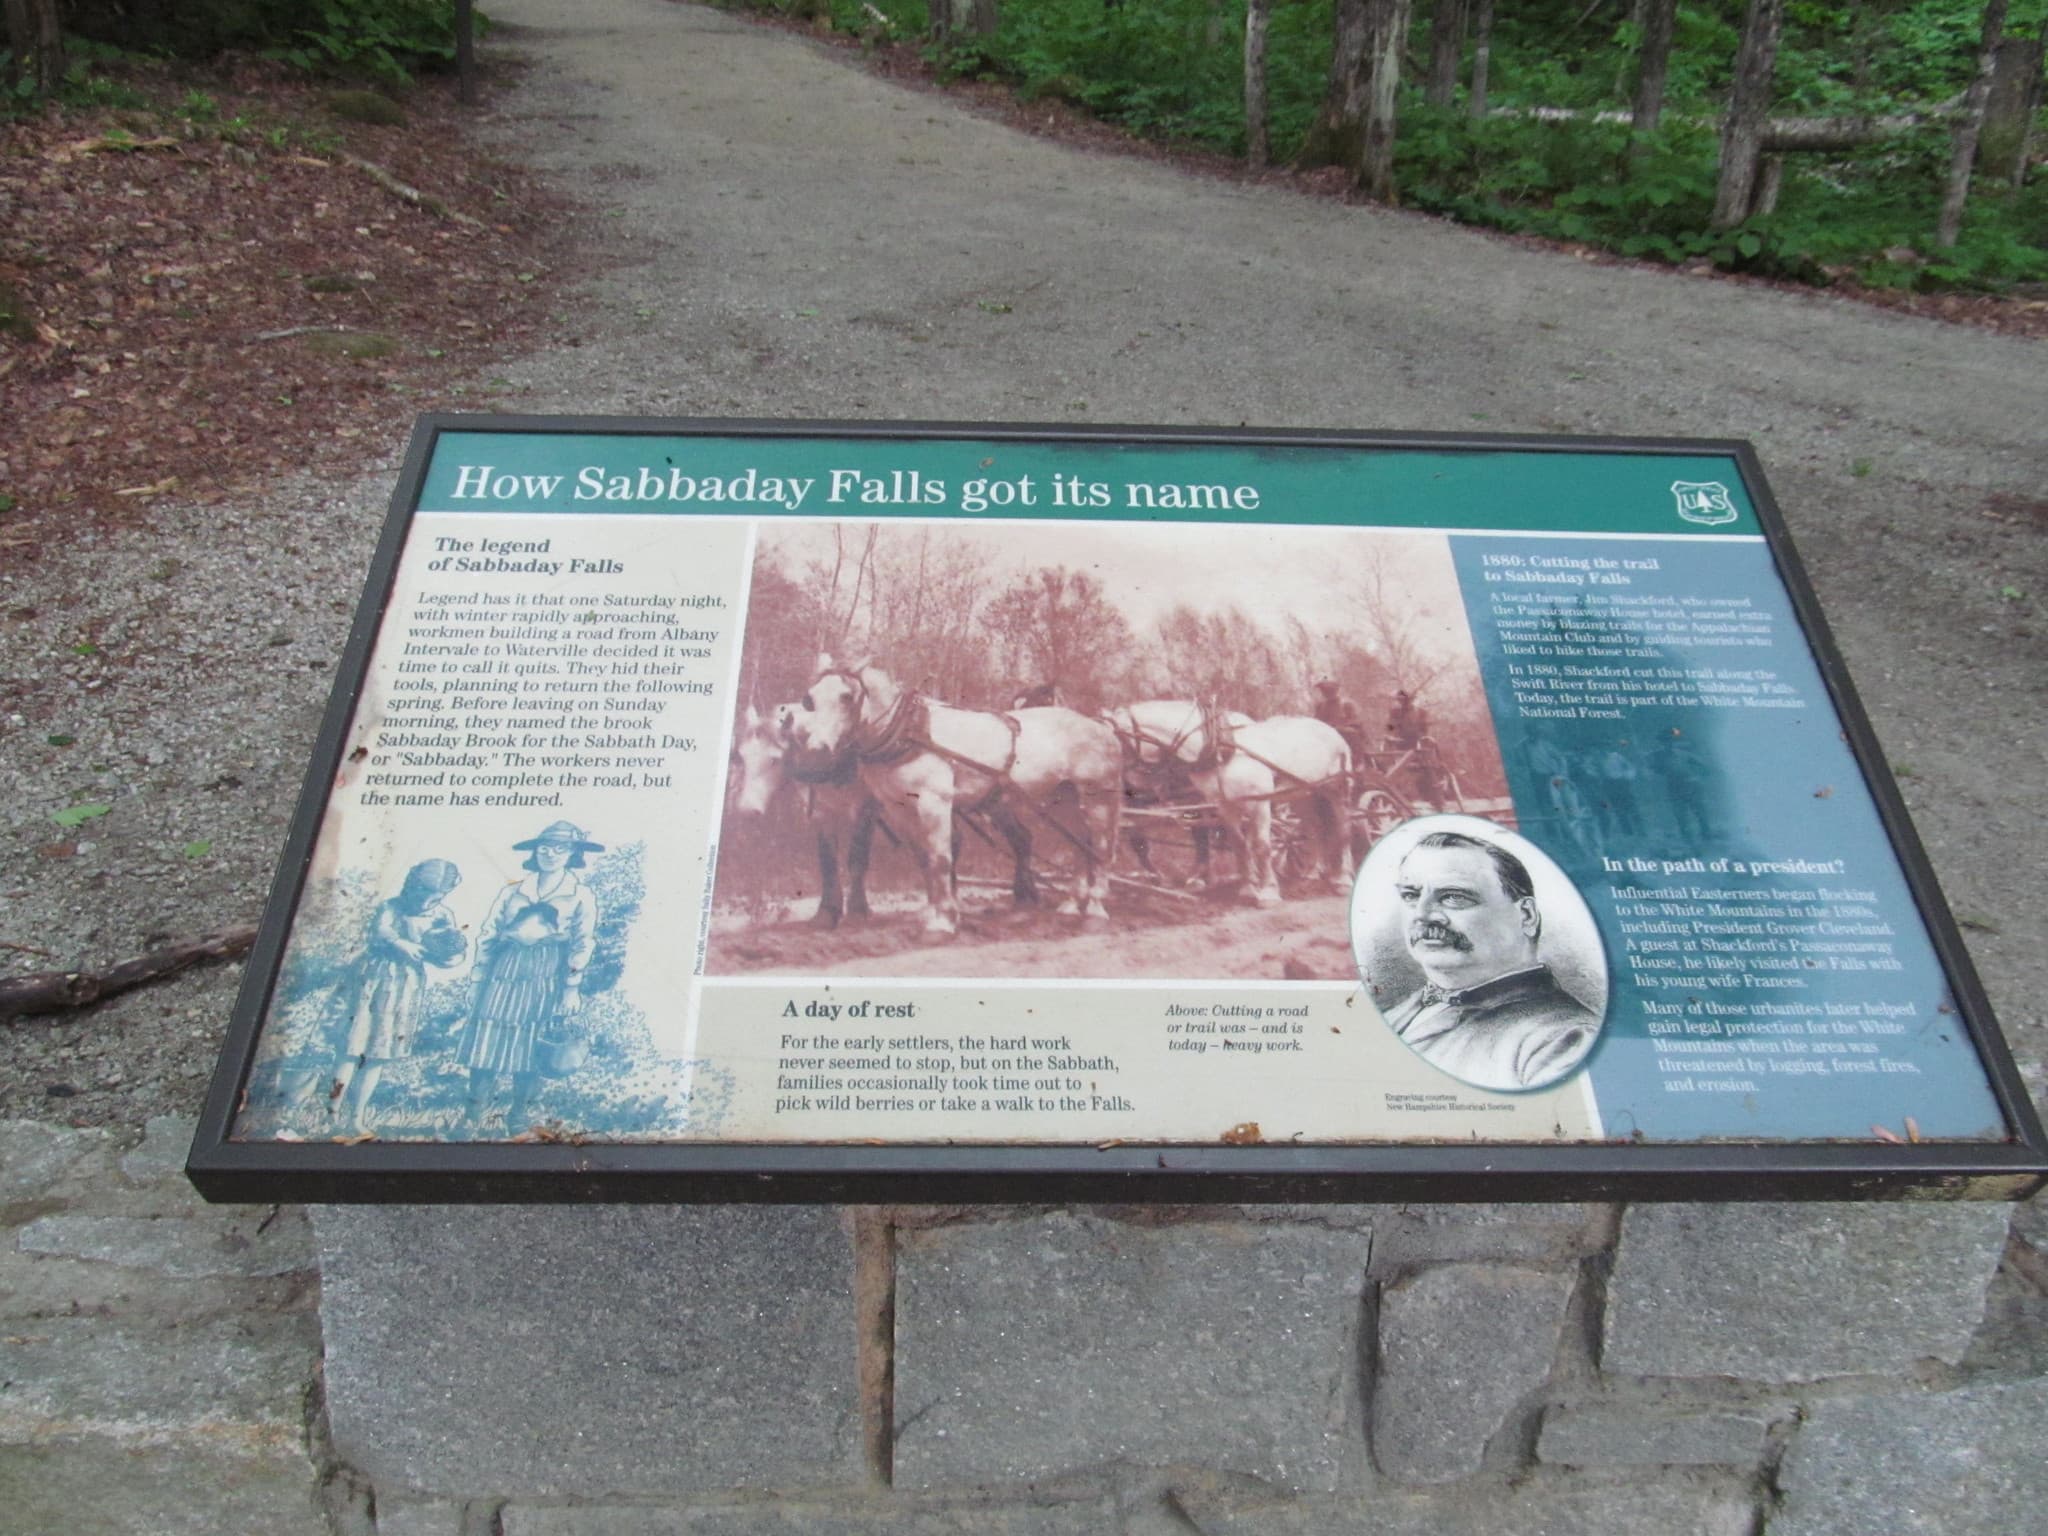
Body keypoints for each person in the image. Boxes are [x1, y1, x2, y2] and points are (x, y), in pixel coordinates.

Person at [1382, 830, 1599, 1091]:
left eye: (1454, 897)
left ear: (1527, 916)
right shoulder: (1397, 1013)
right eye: (1411, 895)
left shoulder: (1564, 1038)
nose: (1422, 914)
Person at [459, 821, 603, 1132]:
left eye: (560, 848)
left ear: (573, 854)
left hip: (547, 974)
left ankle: (518, 1117)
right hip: (504, 972)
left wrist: (571, 988)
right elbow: (488, 935)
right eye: (545, 847)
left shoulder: (580, 895)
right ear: (535, 851)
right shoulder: (513, 891)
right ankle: (472, 1116)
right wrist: (477, 980)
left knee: (531, 1046)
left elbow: (582, 942)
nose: (550, 854)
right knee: (486, 1043)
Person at [327, 858, 467, 1132]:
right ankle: (331, 1113)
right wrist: (401, 943)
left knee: (378, 1054)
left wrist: (449, 957)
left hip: (405, 986)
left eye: (436, 897)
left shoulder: (442, 916)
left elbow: (449, 952)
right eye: (422, 893)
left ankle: (357, 1118)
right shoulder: (392, 907)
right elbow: (380, 931)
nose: (427, 902)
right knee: (351, 1049)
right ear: (412, 886)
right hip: (373, 980)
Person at [1312, 678, 1365, 758]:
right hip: (1325, 733)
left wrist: (1339, 726)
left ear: (1335, 690)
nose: (1326, 693)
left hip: (1343, 734)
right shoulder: (1320, 706)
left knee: (1351, 733)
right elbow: (1316, 722)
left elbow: (1356, 721)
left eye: (1329, 690)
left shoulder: (1346, 704)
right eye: (1324, 691)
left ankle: (1357, 760)